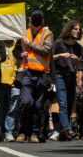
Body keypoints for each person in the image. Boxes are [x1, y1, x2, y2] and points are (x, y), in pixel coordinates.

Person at [16, 10, 54, 143]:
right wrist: (21, 55)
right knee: (26, 102)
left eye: (39, 18)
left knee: (39, 106)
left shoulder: (47, 33)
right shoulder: (23, 33)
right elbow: (16, 50)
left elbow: (46, 51)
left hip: (42, 74)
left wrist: (30, 44)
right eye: (34, 18)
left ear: (42, 21)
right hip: (27, 72)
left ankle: (34, 133)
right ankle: (22, 132)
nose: (37, 21)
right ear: (30, 20)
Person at [51, 20, 83, 141]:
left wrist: (77, 60)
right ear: (69, 30)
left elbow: (81, 64)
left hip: (71, 76)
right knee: (62, 103)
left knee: (69, 104)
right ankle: (66, 129)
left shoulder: (78, 47)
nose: (77, 31)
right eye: (75, 29)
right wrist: (60, 55)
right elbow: (49, 57)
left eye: (79, 29)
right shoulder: (59, 43)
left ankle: (61, 130)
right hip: (60, 76)